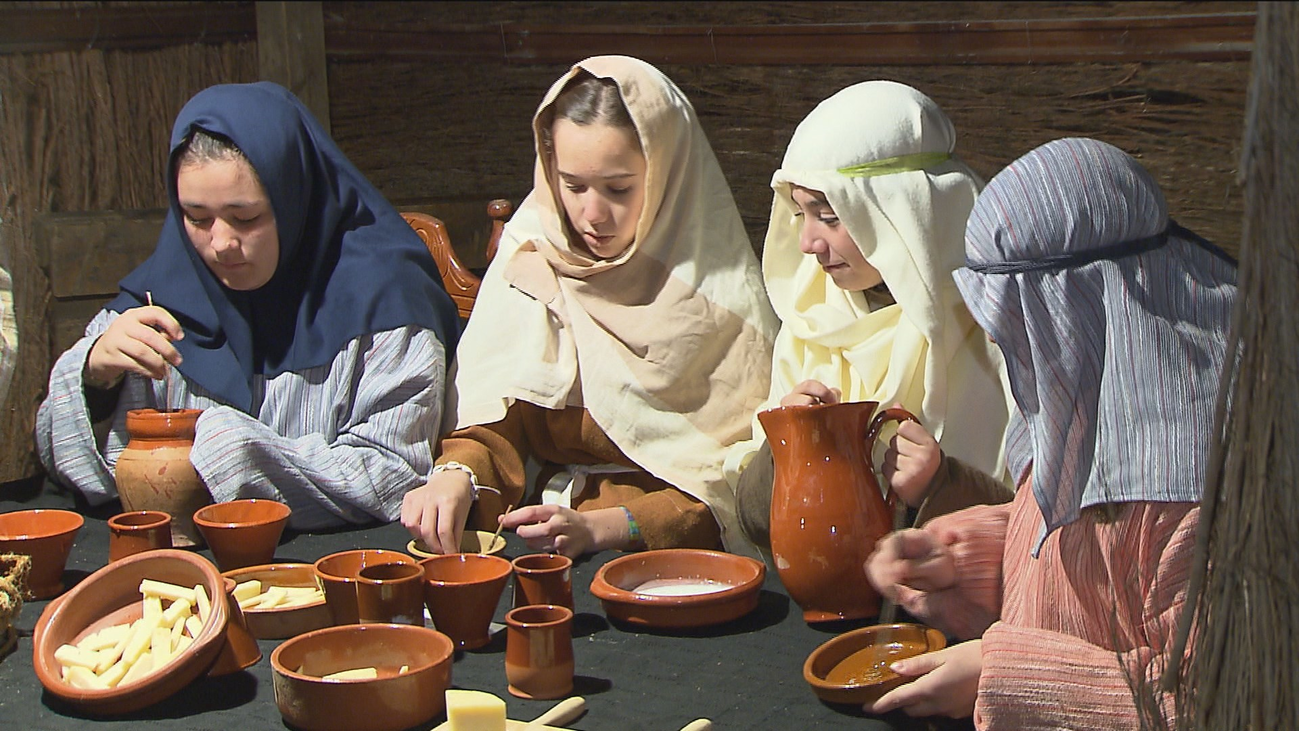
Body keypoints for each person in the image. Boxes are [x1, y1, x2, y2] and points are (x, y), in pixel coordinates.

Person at [864, 137, 1237, 727]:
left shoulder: (1199, 482)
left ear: (1083, 306)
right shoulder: (1094, 393)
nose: (994, 337)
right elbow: (1090, 559)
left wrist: (1005, 675)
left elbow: (1215, 700)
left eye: (1015, 314)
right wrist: (965, 556)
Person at [35, 82, 461, 529]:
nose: (220, 244)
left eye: (246, 218)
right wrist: (95, 380)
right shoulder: (157, 300)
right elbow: (62, 461)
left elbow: (394, 472)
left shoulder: (386, 299)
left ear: (294, 199)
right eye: (196, 218)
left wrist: (239, 454)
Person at [400, 56, 778, 559]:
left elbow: (738, 481)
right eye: (572, 185)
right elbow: (498, 417)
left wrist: (618, 524)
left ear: (669, 176)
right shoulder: (533, 254)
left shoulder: (718, 297)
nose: (591, 215)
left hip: (670, 556)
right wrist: (458, 474)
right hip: (544, 538)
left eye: (618, 189)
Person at [727, 80, 1014, 554]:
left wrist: (940, 487)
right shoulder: (813, 321)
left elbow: (1031, 529)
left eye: (831, 216)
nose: (807, 243)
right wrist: (784, 450)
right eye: (802, 216)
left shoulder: (991, 331)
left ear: (901, 212)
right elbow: (759, 523)